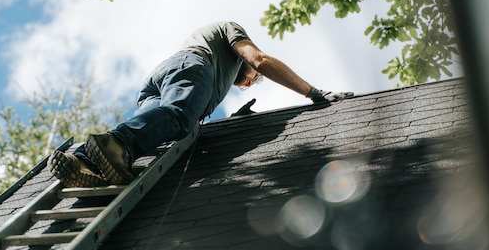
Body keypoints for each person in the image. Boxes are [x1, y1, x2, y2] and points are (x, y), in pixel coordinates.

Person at [47, 21, 353, 187]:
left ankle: (82, 160)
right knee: (180, 118)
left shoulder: (214, 61)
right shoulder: (231, 34)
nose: (246, 84)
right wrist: (314, 93)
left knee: (153, 131)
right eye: (250, 81)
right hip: (191, 67)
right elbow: (259, 59)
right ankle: (117, 143)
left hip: (161, 78)